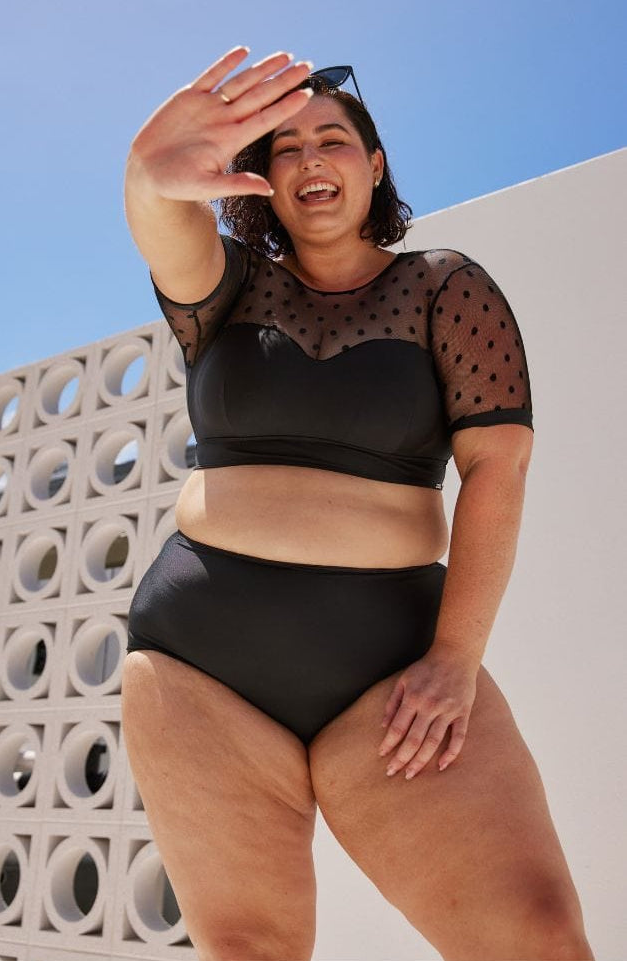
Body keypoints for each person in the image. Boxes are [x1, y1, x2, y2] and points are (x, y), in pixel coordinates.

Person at [120, 46, 594, 961]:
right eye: (283, 147)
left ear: (373, 166)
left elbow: (498, 469)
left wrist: (456, 659)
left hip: (394, 675)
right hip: (198, 673)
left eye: (331, 140)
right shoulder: (226, 289)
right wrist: (147, 175)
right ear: (258, 178)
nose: (308, 161)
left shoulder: (446, 287)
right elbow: (158, 224)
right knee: (249, 950)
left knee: (538, 938)